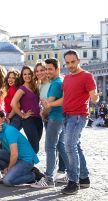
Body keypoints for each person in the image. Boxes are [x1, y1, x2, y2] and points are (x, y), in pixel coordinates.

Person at [44, 50, 101, 194]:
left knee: (70, 145)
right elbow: (65, 99)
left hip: (78, 117)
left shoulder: (87, 76)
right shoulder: (67, 79)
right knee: (76, 146)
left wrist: (95, 98)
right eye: (67, 62)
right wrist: (50, 105)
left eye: (73, 62)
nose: (70, 65)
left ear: (78, 60)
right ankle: (84, 178)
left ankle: (73, 182)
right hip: (66, 116)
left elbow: (94, 97)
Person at [31, 58, 69, 188]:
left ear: (57, 69)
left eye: (49, 69)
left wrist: (42, 113)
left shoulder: (55, 83)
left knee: (50, 148)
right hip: (60, 117)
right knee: (61, 146)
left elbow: (48, 104)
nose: (47, 72)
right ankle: (72, 174)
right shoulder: (59, 81)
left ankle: (48, 179)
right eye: (46, 69)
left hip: (54, 117)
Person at [0, 110, 40, 186]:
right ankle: (12, 172)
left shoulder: (9, 130)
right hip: (16, 158)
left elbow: (14, 154)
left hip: (26, 160)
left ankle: (33, 175)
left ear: (3, 119)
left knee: (7, 181)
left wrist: (9, 168)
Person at [11, 66, 43, 153]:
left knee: (34, 145)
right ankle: (27, 165)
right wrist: (22, 115)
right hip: (29, 120)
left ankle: (26, 163)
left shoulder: (35, 87)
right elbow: (13, 103)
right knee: (35, 147)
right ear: (22, 76)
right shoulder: (22, 89)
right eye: (25, 74)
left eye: (29, 74)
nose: (27, 76)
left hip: (38, 119)